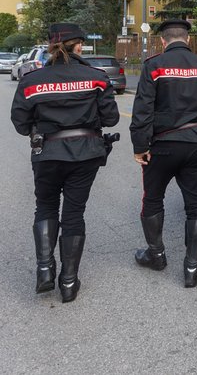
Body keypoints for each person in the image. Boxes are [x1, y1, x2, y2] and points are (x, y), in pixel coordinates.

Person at [10, 23, 120, 303]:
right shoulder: (96, 77)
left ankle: (45, 270)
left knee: (45, 206)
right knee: (74, 213)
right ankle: (69, 283)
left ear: (51, 45)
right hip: (85, 154)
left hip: (46, 153)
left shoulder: (31, 79)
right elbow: (111, 119)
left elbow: (21, 124)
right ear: (78, 45)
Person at [130, 18, 197, 288]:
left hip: (161, 145)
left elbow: (143, 110)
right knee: (195, 205)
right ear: (188, 39)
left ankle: (156, 256)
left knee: (152, 199)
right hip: (196, 144)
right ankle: (192, 267)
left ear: (162, 40)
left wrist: (140, 146)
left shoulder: (154, 66)